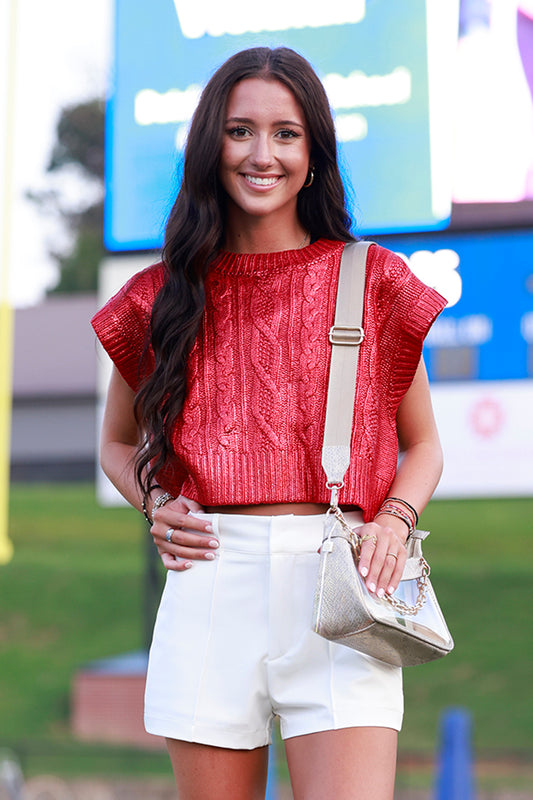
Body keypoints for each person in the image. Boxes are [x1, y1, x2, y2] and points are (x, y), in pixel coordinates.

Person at [92, 46, 446, 800]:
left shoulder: (371, 278)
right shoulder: (158, 296)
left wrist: (392, 520)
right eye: (240, 130)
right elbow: (116, 443)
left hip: (343, 584)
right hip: (209, 582)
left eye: (285, 133)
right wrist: (155, 504)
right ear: (209, 148)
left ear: (312, 153)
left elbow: (424, 446)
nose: (262, 153)